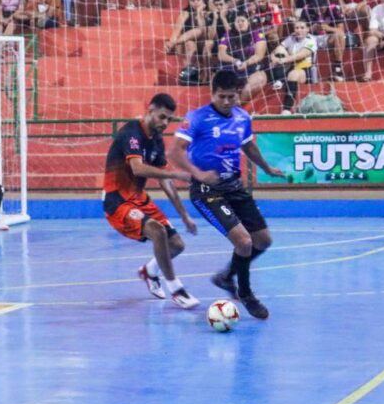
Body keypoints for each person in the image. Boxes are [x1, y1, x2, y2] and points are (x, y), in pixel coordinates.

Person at [167, 70, 285, 319]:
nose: (227, 102)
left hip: (234, 186)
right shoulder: (197, 118)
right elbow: (175, 152)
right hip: (207, 190)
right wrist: (198, 174)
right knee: (243, 242)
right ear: (213, 93)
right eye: (222, 97)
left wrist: (266, 168)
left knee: (263, 241)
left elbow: (248, 145)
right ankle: (246, 293)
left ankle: (225, 276)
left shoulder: (242, 117)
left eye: (232, 97)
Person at [103, 93, 199, 309]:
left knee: (177, 245)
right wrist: (175, 174)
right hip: (117, 201)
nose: (165, 123)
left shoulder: (155, 141)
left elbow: (165, 183)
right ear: (150, 110)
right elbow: (137, 168)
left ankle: (150, 271)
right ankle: (176, 289)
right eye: (162, 117)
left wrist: (184, 215)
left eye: (169, 120)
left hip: (138, 199)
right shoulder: (131, 133)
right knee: (157, 231)